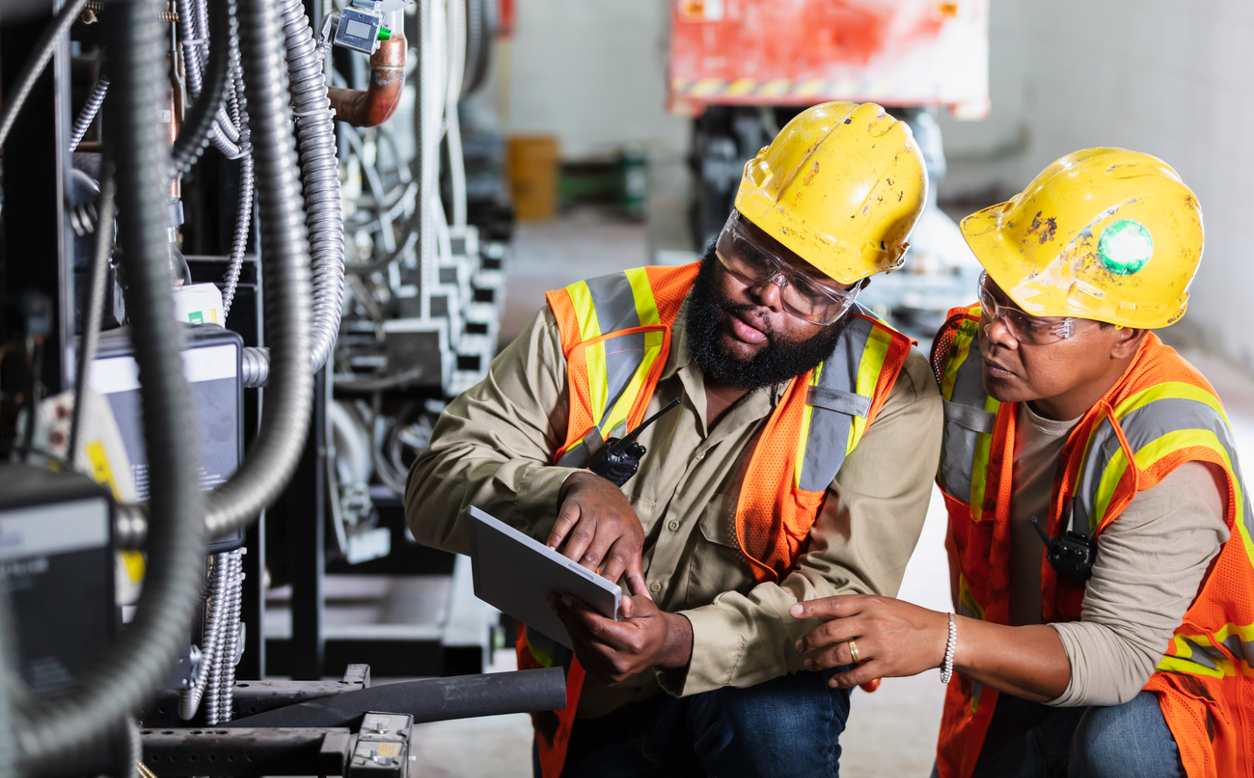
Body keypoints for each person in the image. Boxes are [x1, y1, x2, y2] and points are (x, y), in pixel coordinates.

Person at [405, 101, 942, 777]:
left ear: (855, 293)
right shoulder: (591, 326)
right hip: (593, 683)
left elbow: (841, 596)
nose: (765, 297)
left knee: (773, 732)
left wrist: (680, 640)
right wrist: (569, 488)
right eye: (752, 252)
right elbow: (432, 488)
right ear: (729, 219)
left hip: (757, 682)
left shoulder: (891, 395)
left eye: (808, 290)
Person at [792, 148, 1253, 778]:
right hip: (1017, 664)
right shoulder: (969, 365)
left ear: (1126, 333)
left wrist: (939, 637)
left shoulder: (1167, 456)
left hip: (1166, 700)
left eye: (1033, 320)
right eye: (994, 296)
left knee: (1118, 748)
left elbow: (1117, 657)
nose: (997, 332)